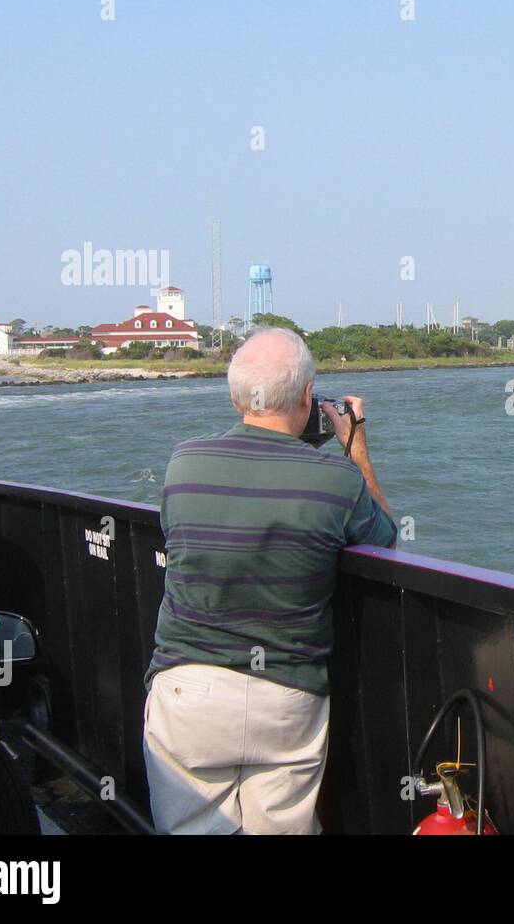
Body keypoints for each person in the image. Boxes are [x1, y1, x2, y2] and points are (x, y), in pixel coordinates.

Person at [141, 326, 396, 834]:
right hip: (287, 694)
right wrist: (355, 445)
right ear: (307, 396)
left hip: (188, 690)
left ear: (238, 395)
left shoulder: (183, 462)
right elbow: (385, 540)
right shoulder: (336, 478)